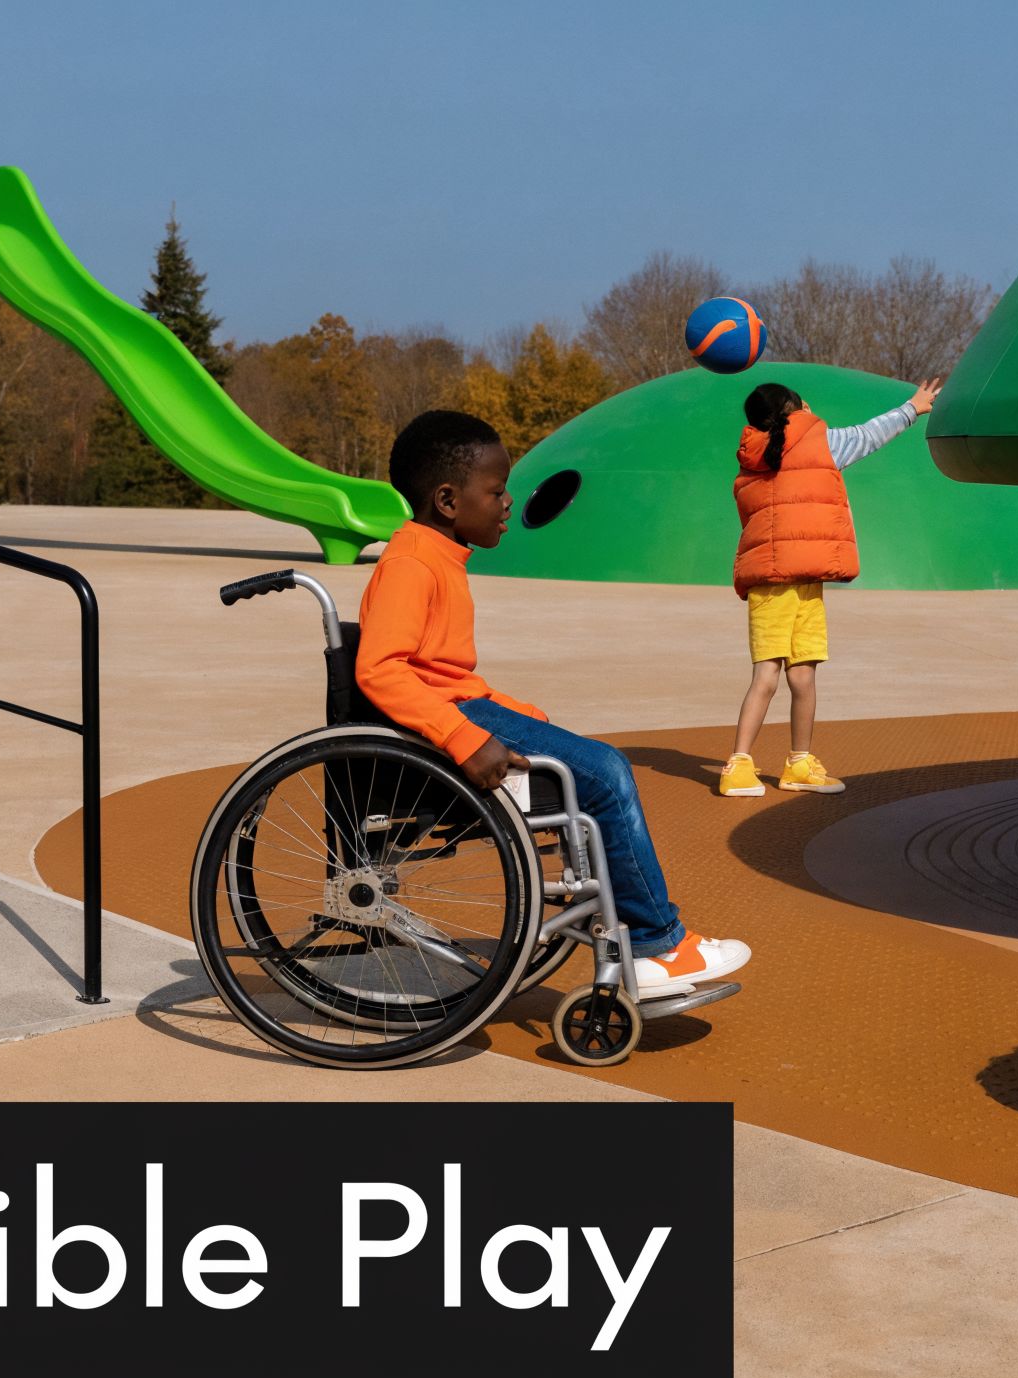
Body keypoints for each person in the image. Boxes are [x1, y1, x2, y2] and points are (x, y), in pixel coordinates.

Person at [360, 409, 750, 995]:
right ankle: (656, 945)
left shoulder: (436, 554)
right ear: (447, 500)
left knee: (590, 763)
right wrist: (466, 737)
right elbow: (381, 669)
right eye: (496, 490)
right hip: (449, 726)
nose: (508, 502)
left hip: (462, 710)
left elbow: (441, 671)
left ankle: (636, 930)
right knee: (606, 773)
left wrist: (511, 709)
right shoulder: (412, 564)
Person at [715, 376, 941, 797]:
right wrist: (913, 407)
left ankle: (765, 765)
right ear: (796, 408)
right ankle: (761, 764)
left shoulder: (750, 461)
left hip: (771, 582)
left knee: (778, 675)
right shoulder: (821, 443)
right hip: (802, 578)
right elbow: (870, 435)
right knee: (794, 677)